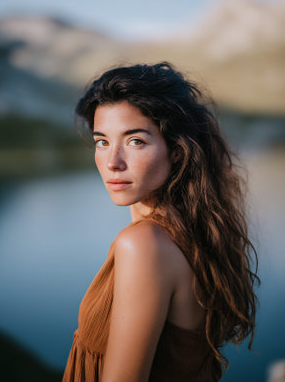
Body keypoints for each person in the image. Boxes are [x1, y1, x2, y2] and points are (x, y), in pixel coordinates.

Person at [62, 62, 259, 382]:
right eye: (102, 141)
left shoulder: (144, 245)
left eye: (135, 140)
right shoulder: (191, 230)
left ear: (177, 150)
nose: (113, 162)